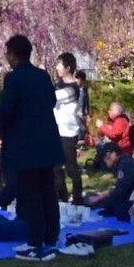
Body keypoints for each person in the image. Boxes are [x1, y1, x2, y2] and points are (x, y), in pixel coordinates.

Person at [0, 33, 64, 262]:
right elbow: (52, 102)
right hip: (46, 141)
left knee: (30, 195)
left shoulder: (14, 79)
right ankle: (51, 236)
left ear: (13, 55)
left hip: (25, 146)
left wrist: (1, 116)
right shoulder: (42, 76)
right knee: (47, 192)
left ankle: (35, 242)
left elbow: (6, 111)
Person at [52, 52, 83, 206]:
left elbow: (54, 97)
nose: (57, 67)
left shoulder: (73, 88)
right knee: (55, 168)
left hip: (69, 132)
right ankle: (61, 197)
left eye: (59, 64)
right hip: (56, 131)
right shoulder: (58, 84)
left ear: (68, 67)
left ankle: (78, 199)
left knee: (71, 168)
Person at [85, 141, 134, 221]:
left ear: (112, 154)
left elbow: (121, 191)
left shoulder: (124, 164)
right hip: (130, 196)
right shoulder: (124, 162)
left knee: (103, 204)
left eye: (105, 157)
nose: (105, 161)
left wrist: (101, 198)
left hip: (132, 200)